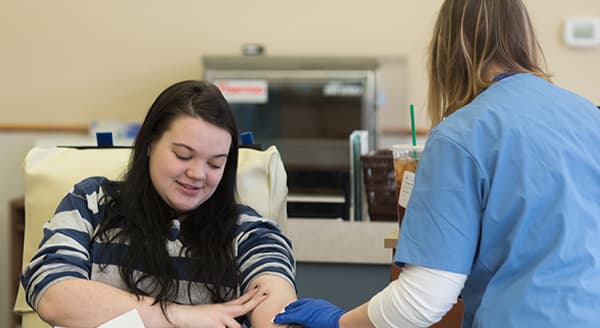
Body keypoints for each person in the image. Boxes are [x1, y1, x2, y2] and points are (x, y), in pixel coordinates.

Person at [273, 0, 600, 327]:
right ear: (526, 39)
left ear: (447, 50)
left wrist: (338, 321)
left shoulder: (462, 135)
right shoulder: (589, 117)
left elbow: (423, 299)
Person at [21, 80, 297, 328]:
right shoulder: (91, 202)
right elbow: (53, 295)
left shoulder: (249, 232)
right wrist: (180, 316)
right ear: (150, 143)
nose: (198, 175)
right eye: (183, 155)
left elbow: (274, 300)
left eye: (215, 163)